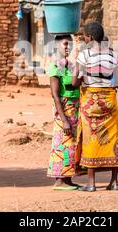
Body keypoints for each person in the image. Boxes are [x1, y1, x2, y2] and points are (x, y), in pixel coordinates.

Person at [73, 21, 118, 192]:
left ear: (90, 37)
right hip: (109, 101)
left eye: (85, 35)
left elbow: (74, 82)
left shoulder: (84, 55)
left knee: (91, 138)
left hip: (91, 101)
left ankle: (91, 183)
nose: (84, 38)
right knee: (112, 139)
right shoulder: (114, 55)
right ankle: (114, 182)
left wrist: (83, 77)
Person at [47, 35, 81, 190]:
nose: (68, 47)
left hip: (73, 109)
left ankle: (67, 179)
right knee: (62, 144)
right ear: (57, 46)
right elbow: (55, 95)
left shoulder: (69, 65)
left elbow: (75, 84)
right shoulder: (54, 65)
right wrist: (64, 120)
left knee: (70, 144)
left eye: (70, 45)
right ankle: (59, 180)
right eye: (65, 44)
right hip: (64, 110)